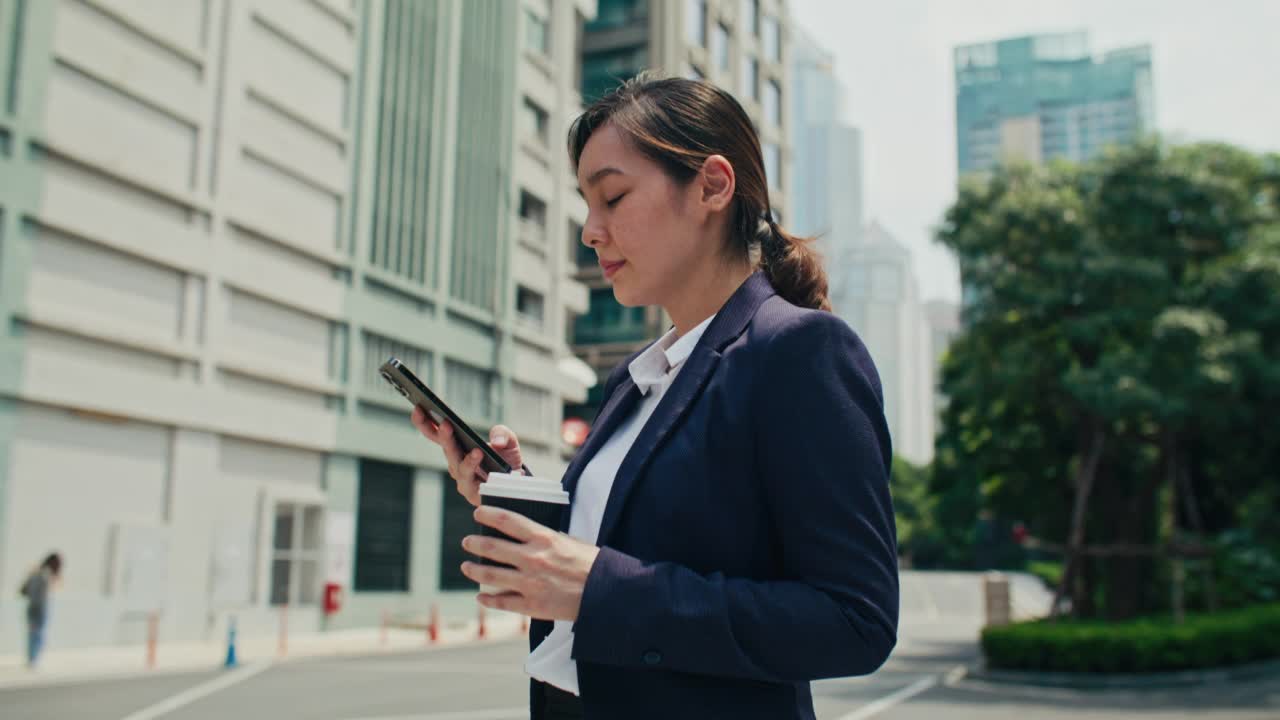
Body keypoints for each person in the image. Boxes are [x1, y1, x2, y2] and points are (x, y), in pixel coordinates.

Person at [412, 75, 898, 719]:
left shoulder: (800, 353)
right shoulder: (637, 378)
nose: (590, 230)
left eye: (612, 196)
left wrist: (600, 590)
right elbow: (620, 545)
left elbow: (853, 620)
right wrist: (513, 493)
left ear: (712, 186)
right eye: (587, 204)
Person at [20, 552, 62, 669]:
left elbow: (26, 590)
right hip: (40, 608)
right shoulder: (46, 575)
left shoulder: (35, 572)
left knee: (32, 634)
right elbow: (44, 594)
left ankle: (31, 658)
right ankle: (33, 660)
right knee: (38, 634)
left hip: (31, 607)